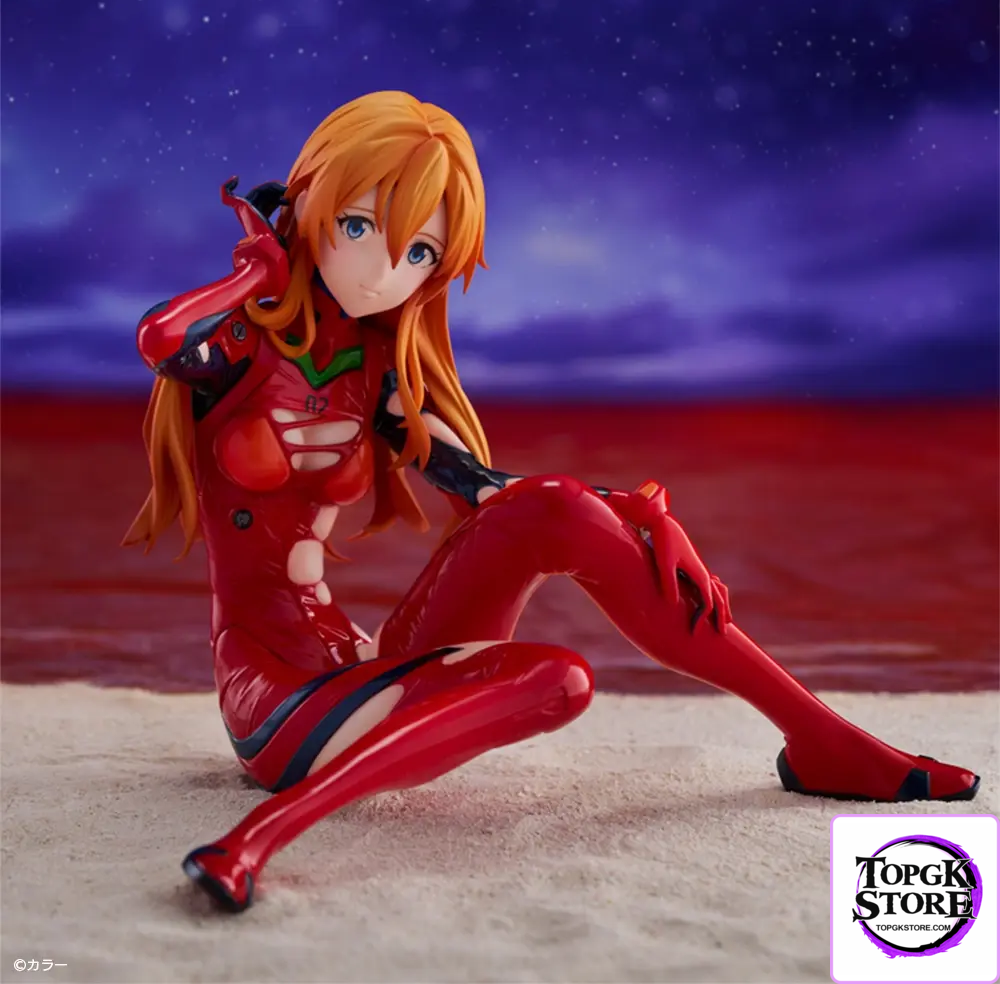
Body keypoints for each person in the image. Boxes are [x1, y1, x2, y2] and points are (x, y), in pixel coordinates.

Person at [125, 91, 979, 914]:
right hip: (273, 690)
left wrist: (640, 516)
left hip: (359, 664)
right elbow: (161, 339)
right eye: (358, 228)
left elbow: (489, 491)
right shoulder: (237, 348)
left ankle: (820, 738)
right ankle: (257, 839)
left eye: (419, 254)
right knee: (557, 679)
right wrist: (255, 271)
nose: (385, 274)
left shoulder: (374, 368)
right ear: (306, 204)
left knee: (556, 504)